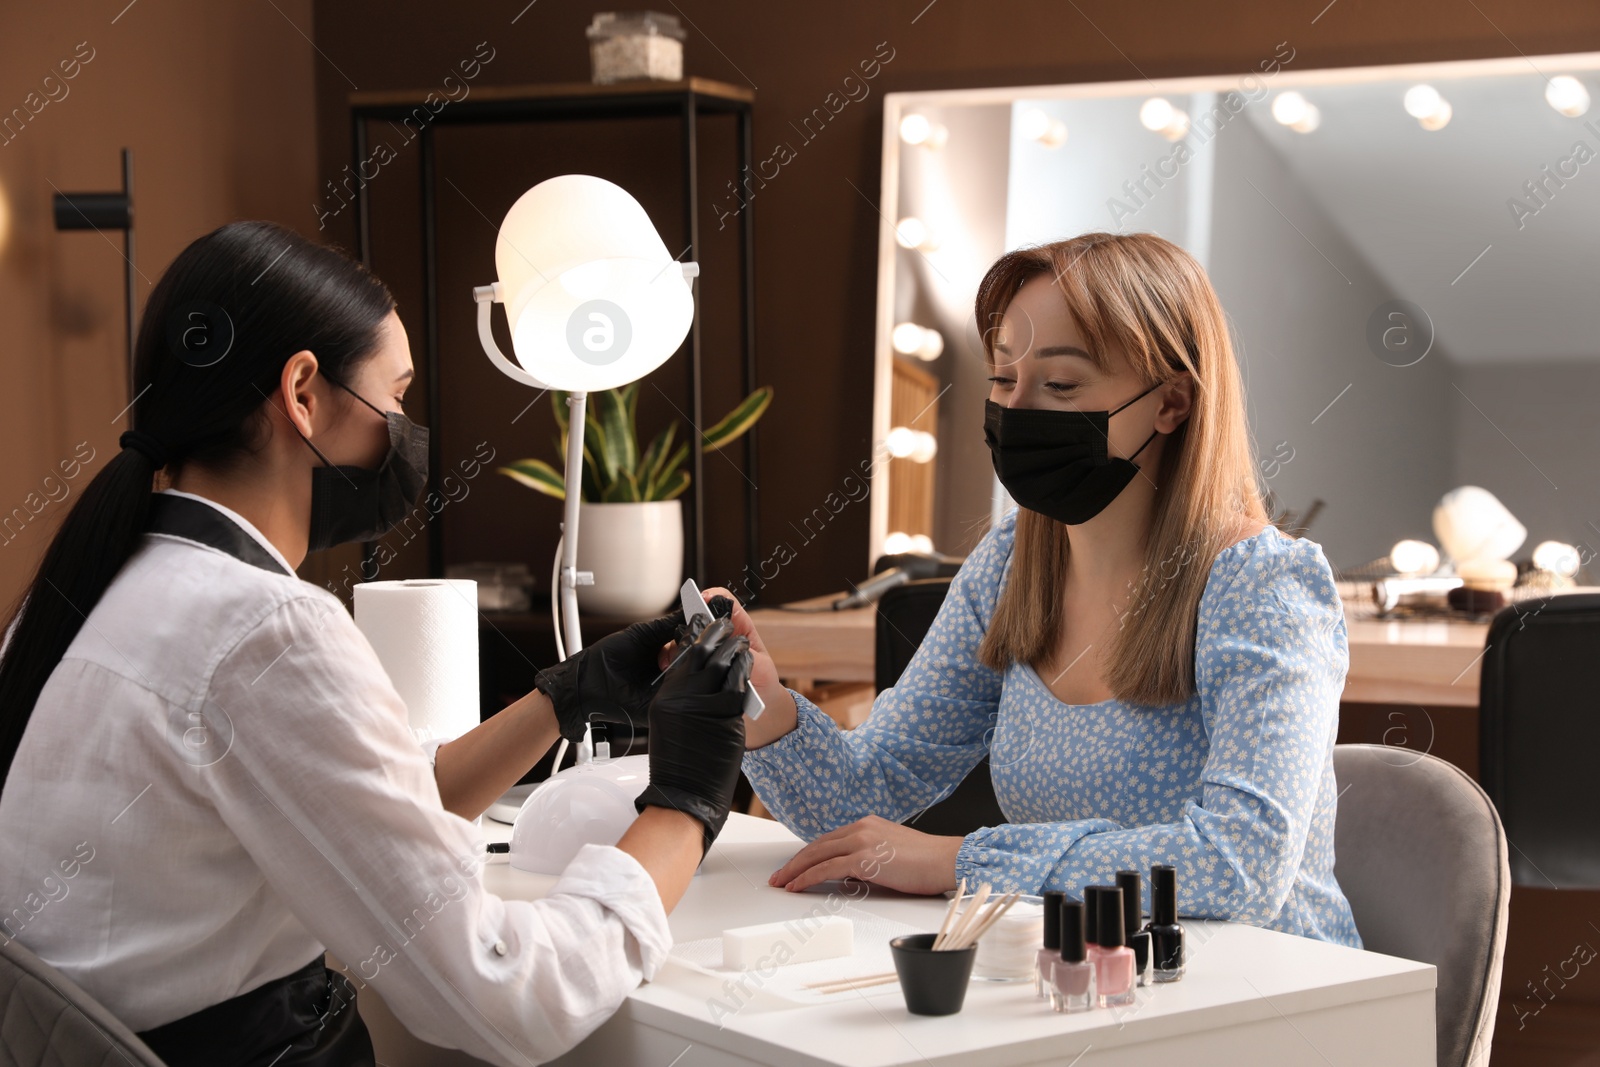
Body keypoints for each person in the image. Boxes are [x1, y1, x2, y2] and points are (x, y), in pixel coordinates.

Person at [0, 220, 751, 1066]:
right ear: (304, 392)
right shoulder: (265, 630)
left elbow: (352, 806)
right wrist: (687, 798)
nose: (403, 426)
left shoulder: (91, 588)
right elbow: (509, 995)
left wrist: (564, 695)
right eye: (394, 396)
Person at [689, 232, 1361, 947]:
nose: (1019, 410)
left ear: (1171, 402)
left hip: (1276, 993)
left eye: (1061, 385)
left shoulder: (1265, 588)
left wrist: (965, 860)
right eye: (1004, 379)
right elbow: (866, 793)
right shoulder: (1010, 565)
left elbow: (1240, 866)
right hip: (1087, 982)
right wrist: (764, 707)